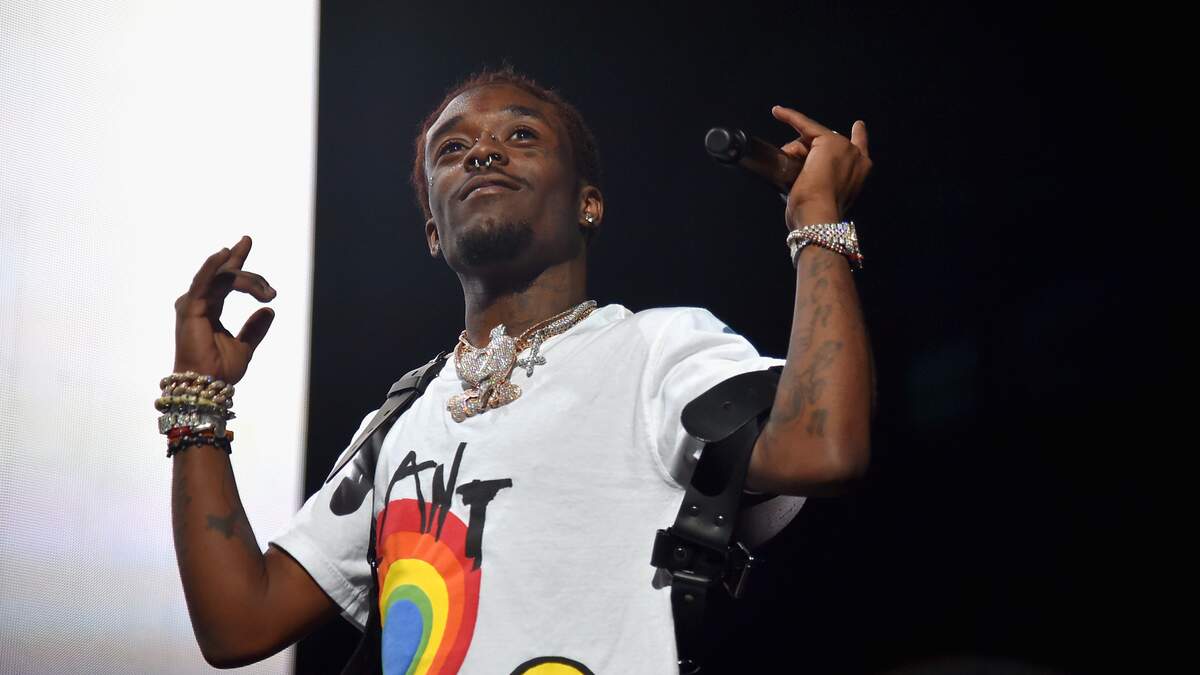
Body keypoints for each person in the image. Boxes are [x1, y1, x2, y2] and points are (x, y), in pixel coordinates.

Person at [164, 67, 874, 673]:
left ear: (588, 204)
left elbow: (822, 451)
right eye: (453, 148)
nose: (482, 153)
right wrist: (202, 399)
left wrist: (815, 218)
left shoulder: (658, 350)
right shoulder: (400, 419)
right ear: (434, 232)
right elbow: (240, 623)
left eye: (521, 136)